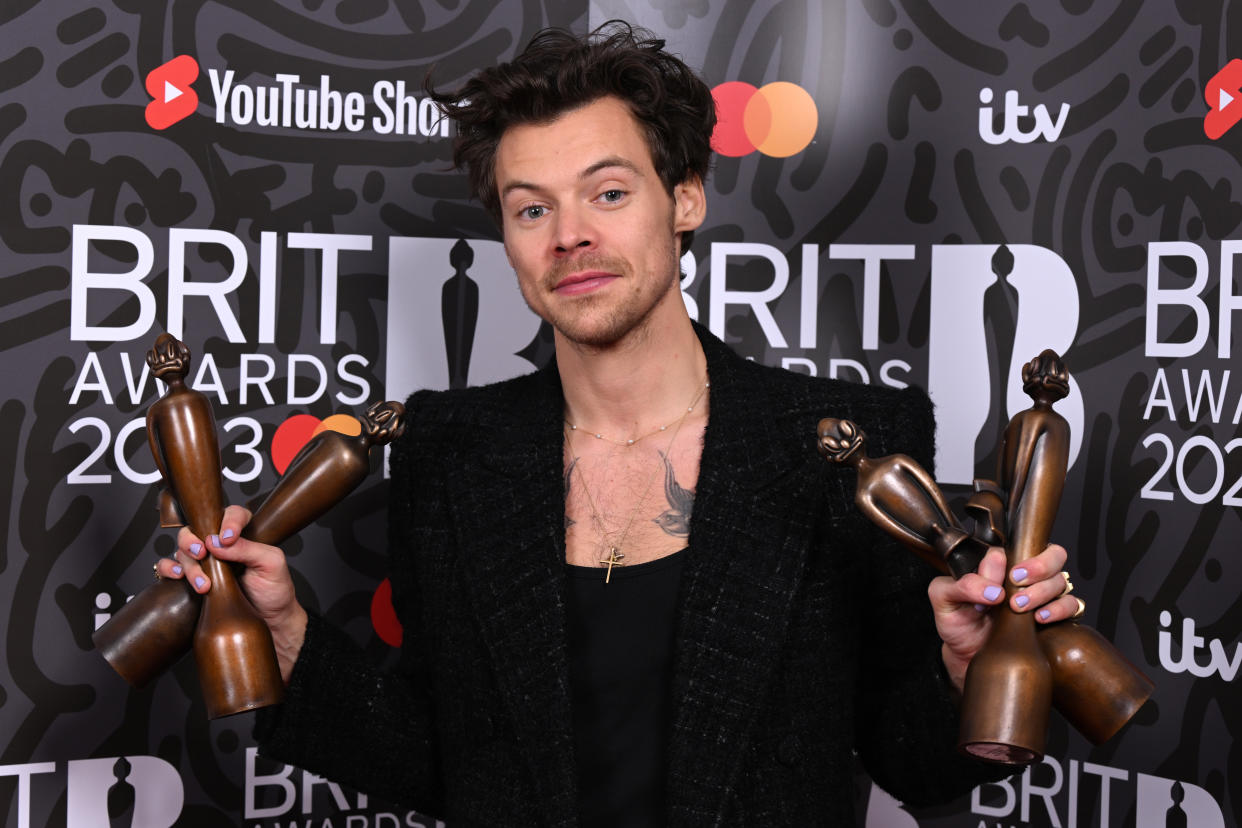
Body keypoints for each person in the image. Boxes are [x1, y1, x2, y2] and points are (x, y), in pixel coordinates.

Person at [158, 21, 1083, 826]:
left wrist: (966, 672)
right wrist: (285, 637)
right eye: (531, 209)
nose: (569, 236)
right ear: (509, 240)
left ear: (684, 198)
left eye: (608, 192)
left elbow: (913, 764)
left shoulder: (846, 444)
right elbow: (442, 762)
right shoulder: (449, 451)